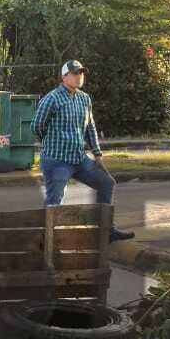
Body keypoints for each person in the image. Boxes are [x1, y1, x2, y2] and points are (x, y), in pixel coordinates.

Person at [33, 59, 134, 242]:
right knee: (54, 201)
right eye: (75, 73)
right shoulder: (52, 99)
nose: (79, 76)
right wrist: (51, 143)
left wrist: (97, 153)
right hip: (57, 160)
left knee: (106, 183)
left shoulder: (84, 98)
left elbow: (90, 128)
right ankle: (49, 241)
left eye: (81, 73)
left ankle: (106, 231)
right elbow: (37, 126)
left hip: (79, 158)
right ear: (64, 77)